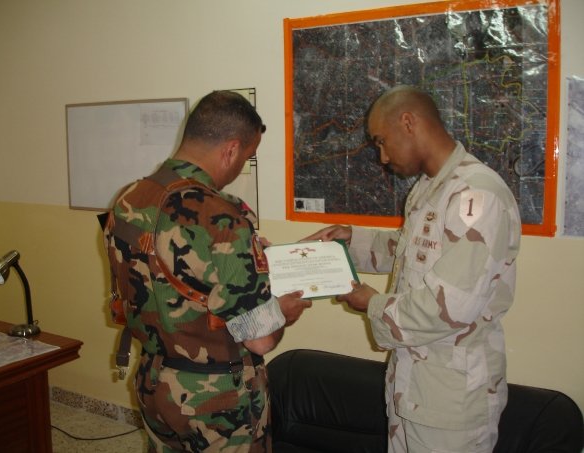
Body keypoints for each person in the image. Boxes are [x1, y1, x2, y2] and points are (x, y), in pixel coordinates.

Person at [305, 85, 521, 453]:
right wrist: (349, 241)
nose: (383, 157)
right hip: (412, 388)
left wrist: (371, 303)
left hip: (451, 403)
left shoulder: (476, 195)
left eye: (381, 141)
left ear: (408, 122)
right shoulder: (430, 188)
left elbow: (449, 306)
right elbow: (411, 251)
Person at [103, 90, 312, 452]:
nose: (240, 166)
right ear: (231, 150)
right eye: (246, 157)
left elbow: (169, 269)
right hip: (217, 401)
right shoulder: (222, 218)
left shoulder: (128, 198)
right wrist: (282, 312)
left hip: (154, 384)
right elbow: (260, 340)